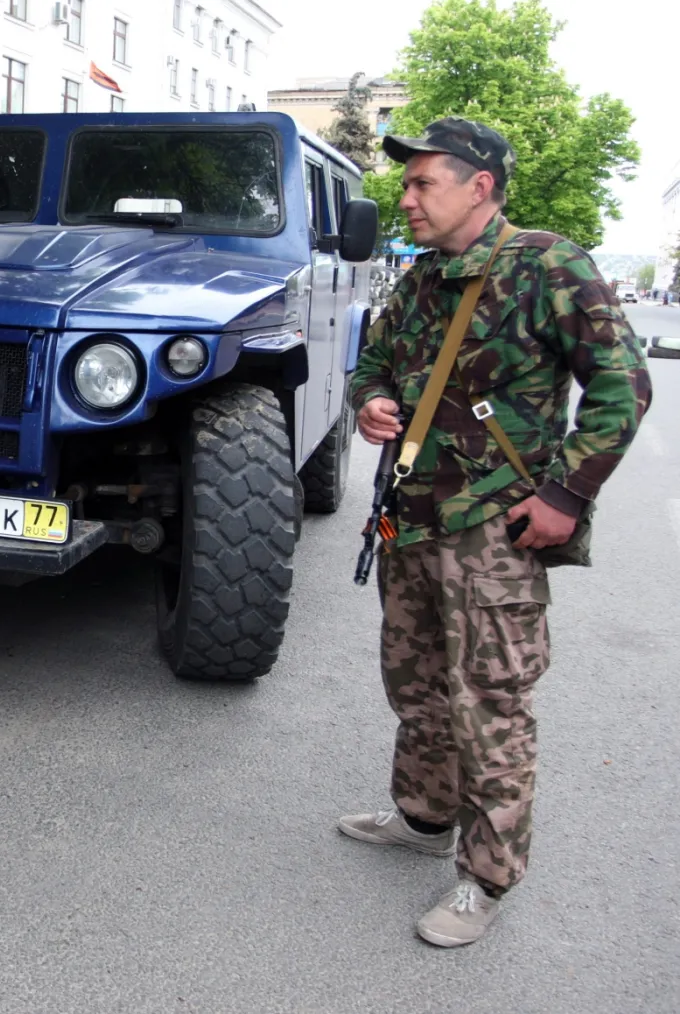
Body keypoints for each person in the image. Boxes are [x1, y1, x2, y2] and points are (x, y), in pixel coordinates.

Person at [340, 117, 651, 948]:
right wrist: (367, 400)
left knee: (491, 706)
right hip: (412, 517)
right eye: (404, 185)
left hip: (494, 531)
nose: (404, 198)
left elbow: (624, 386)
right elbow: (374, 362)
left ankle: (485, 877)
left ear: (480, 186)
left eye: (421, 183)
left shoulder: (549, 264)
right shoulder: (419, 279)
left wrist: (568, 492)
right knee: (418, 687)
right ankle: (423, 816)